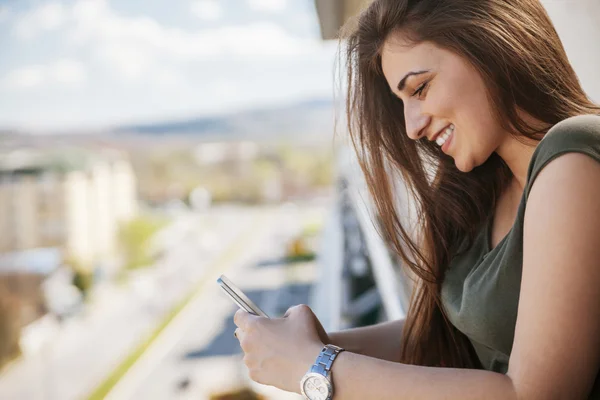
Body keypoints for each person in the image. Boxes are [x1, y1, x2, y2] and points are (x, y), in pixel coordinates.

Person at [233, 0, 600, 398]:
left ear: (490, 45)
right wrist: (311, 346)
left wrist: (316, 368)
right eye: (402, 101)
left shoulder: (574, 154)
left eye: (421, 88)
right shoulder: (481, 187)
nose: (411, 126)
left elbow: (533, 395)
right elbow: (441, 334)